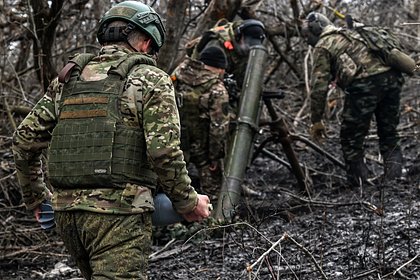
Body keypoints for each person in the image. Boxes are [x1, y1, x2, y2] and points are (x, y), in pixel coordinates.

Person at [12, 1, 211, 279]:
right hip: (119, 217)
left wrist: (35, 197)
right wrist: (188, 202)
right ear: (144, 42)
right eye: (153, 48)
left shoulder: (68, 80)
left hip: (68, 216)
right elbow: (163, 151)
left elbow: (24, 139)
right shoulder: (150, 78)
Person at [302, 12, 405, 186]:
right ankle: (395, 178)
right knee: (389, 132)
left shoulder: (324, 45)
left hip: (365, 85)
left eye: (307, 34)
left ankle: (359, 184)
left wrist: (316, 120)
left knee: (350, 138)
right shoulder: (352, 32)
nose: (306, 39)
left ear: (315, 28)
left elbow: (319, 86)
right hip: (392, 78)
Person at [171, 46, 230, 200]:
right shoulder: (217, 90)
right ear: (220, 68)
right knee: (214, 191)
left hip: (173, 141)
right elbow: (218, 129)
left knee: (169, 184)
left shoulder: (178, 73)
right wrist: (215, 158)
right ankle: (211, 221)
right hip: (201, 148)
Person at [186, 18, 266, 102]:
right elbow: (206, 77)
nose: (249, 48)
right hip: (200, 81)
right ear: (239, 36)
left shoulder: (248, 51)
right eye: (249, 43)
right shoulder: (217, 44)